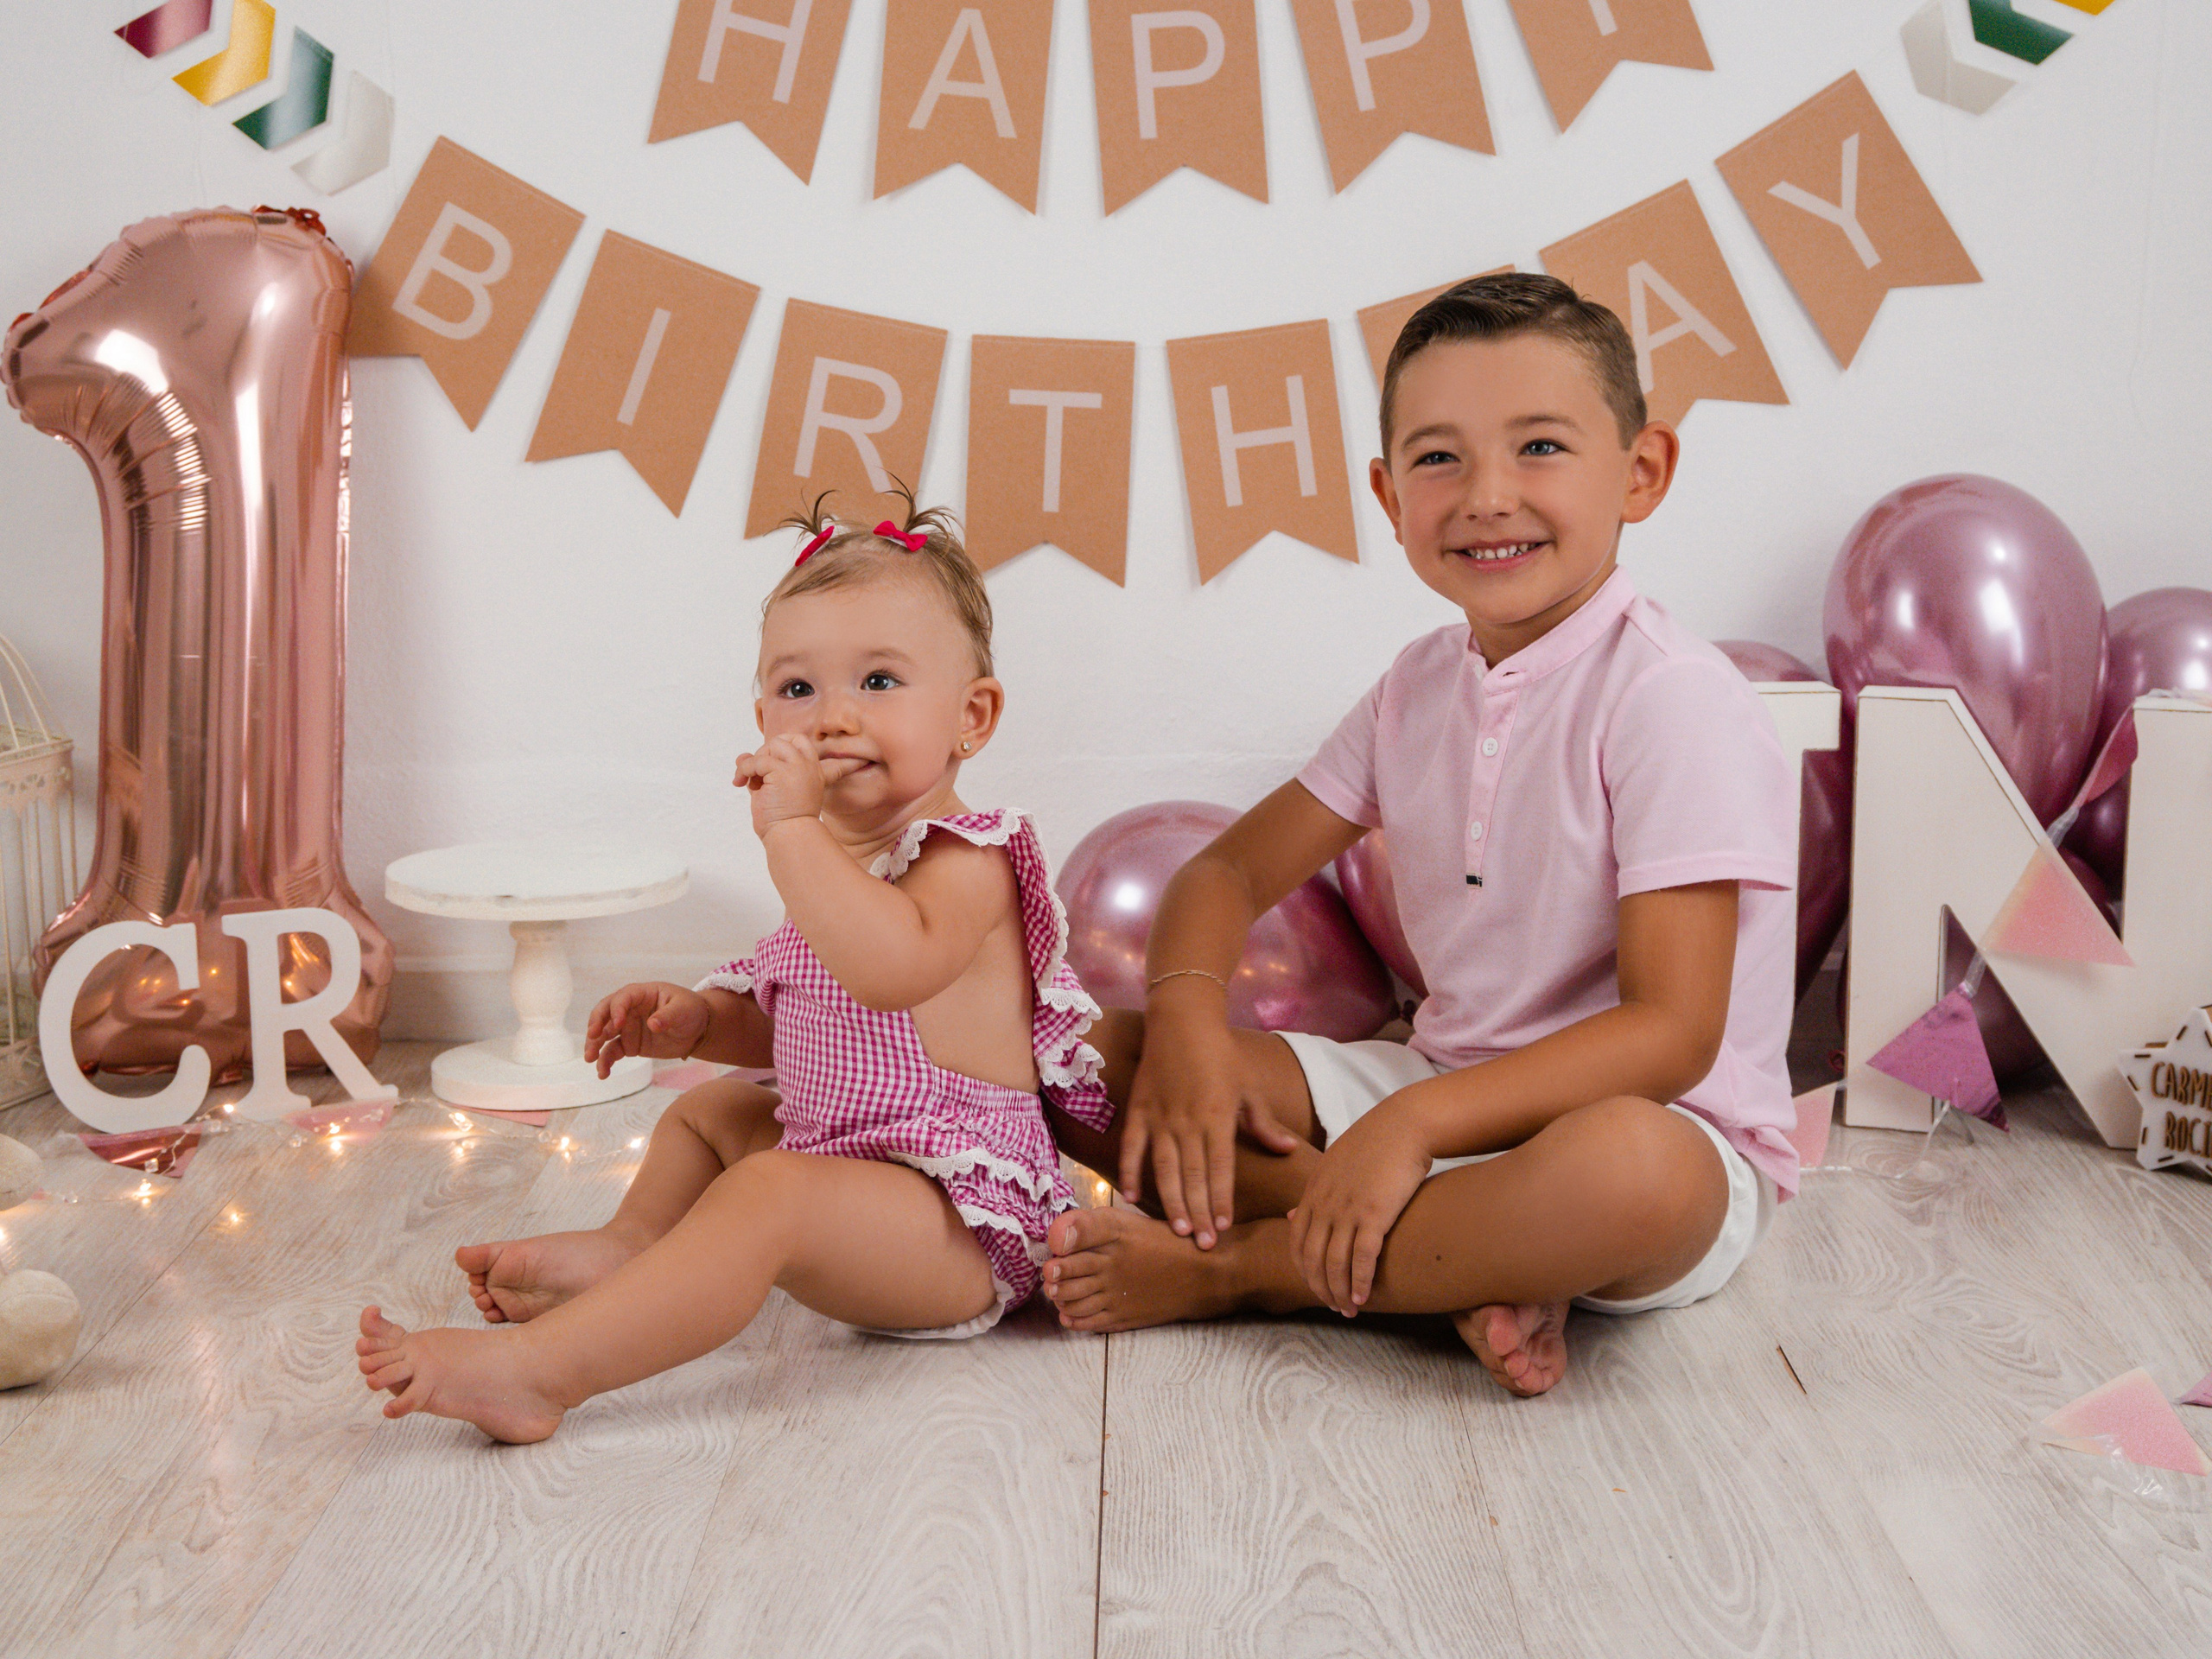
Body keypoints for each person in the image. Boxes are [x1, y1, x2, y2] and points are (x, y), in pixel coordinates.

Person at [1041, 273, 1801, 1396]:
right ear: (1391, 497)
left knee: (1626, 1175)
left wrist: (1412, 1132)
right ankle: (1455, 1262)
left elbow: (1673, 1034)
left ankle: (1248, 1271)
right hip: (1438, 1085)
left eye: (1540, 447)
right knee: (1095, 1066)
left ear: (1641, 473)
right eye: (1441, 460)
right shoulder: (1417, 688)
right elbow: (1227, 871)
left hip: (1646, 1128)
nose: (1488, 495)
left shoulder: (1669, 696)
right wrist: (1196, 1035)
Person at [358, 502, 1116, 1442]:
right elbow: (815, 1019)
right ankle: (630, 1250)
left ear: (972, 717)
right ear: (762, 719)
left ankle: (537, 1375)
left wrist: (793, 833)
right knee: (712, 1114)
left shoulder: (969, 859)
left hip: (956, 1222)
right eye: (798, 689)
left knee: (768, 1194)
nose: (835, 715)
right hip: (859, 1176)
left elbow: (889, 973)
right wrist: (702, 1024)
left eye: (879, 680)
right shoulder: (834, 866)